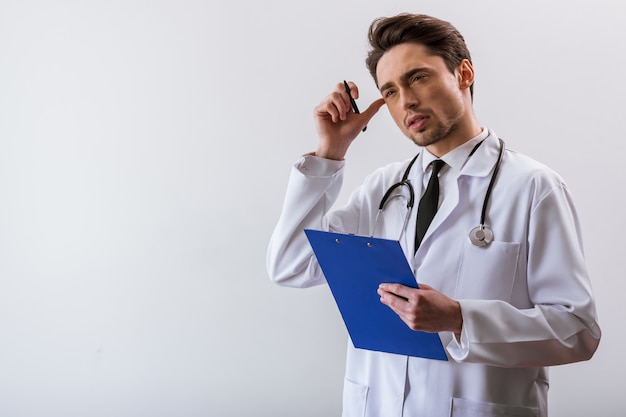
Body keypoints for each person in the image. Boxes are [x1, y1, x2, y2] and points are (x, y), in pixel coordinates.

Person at [266, 13, 600, 417]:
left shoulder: (533, 188)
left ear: (464, 73)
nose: (405, 101)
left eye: (417, 78)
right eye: (389, 91)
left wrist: (460, 318)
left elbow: (578, 331)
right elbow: (291, 265)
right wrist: (329, 153)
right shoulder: (383, 188)